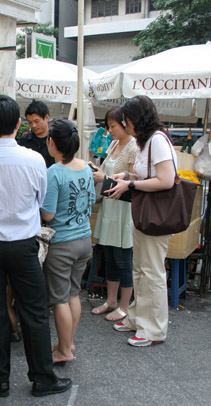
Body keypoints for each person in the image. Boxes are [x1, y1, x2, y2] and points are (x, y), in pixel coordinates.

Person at [0, 95, 72, 398]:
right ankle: (42, 378)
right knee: (35, 312)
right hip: (23, 244)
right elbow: (39, 200)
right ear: (18, 124)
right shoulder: (34, 159)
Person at [106, 95, 176, 347]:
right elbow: (152, 175)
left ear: (138, 118)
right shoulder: (147, 141)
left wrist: (131, 183)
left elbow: (166, 180)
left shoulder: (157, 140)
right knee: (140, 269)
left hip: (154, 216)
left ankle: (153, 330)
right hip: (144, 212)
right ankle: (137, 318)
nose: (125, 124)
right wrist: (129, 175)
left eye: (126, 120)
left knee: (152, 272)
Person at [41, 119, 95, 364]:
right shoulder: (85, 167)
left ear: (52, 143)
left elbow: (48, 214)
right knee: (74, 294)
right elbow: (91, 201)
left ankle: (64, 351)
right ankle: (68, 342)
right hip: (84, 240)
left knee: (60, 299)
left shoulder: (55, 172)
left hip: (62, 245)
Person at [88, 107, 138, 322]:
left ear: (125, 124)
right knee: (108, 255)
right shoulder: (115, 143)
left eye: (113, 126)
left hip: (124, 209)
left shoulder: (134, 147)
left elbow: (134, 181)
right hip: (110, 205)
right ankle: (111, 300)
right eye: (108, 126)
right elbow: (109, 173)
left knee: (123, 258)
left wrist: (104, 179)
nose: (110, 131)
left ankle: (125, 305)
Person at [18, 100, 55, 167]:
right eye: (30, 122)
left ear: (46, 118)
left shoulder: (56, 140)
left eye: (36, 121)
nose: (33, 125)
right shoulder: (23, 142)